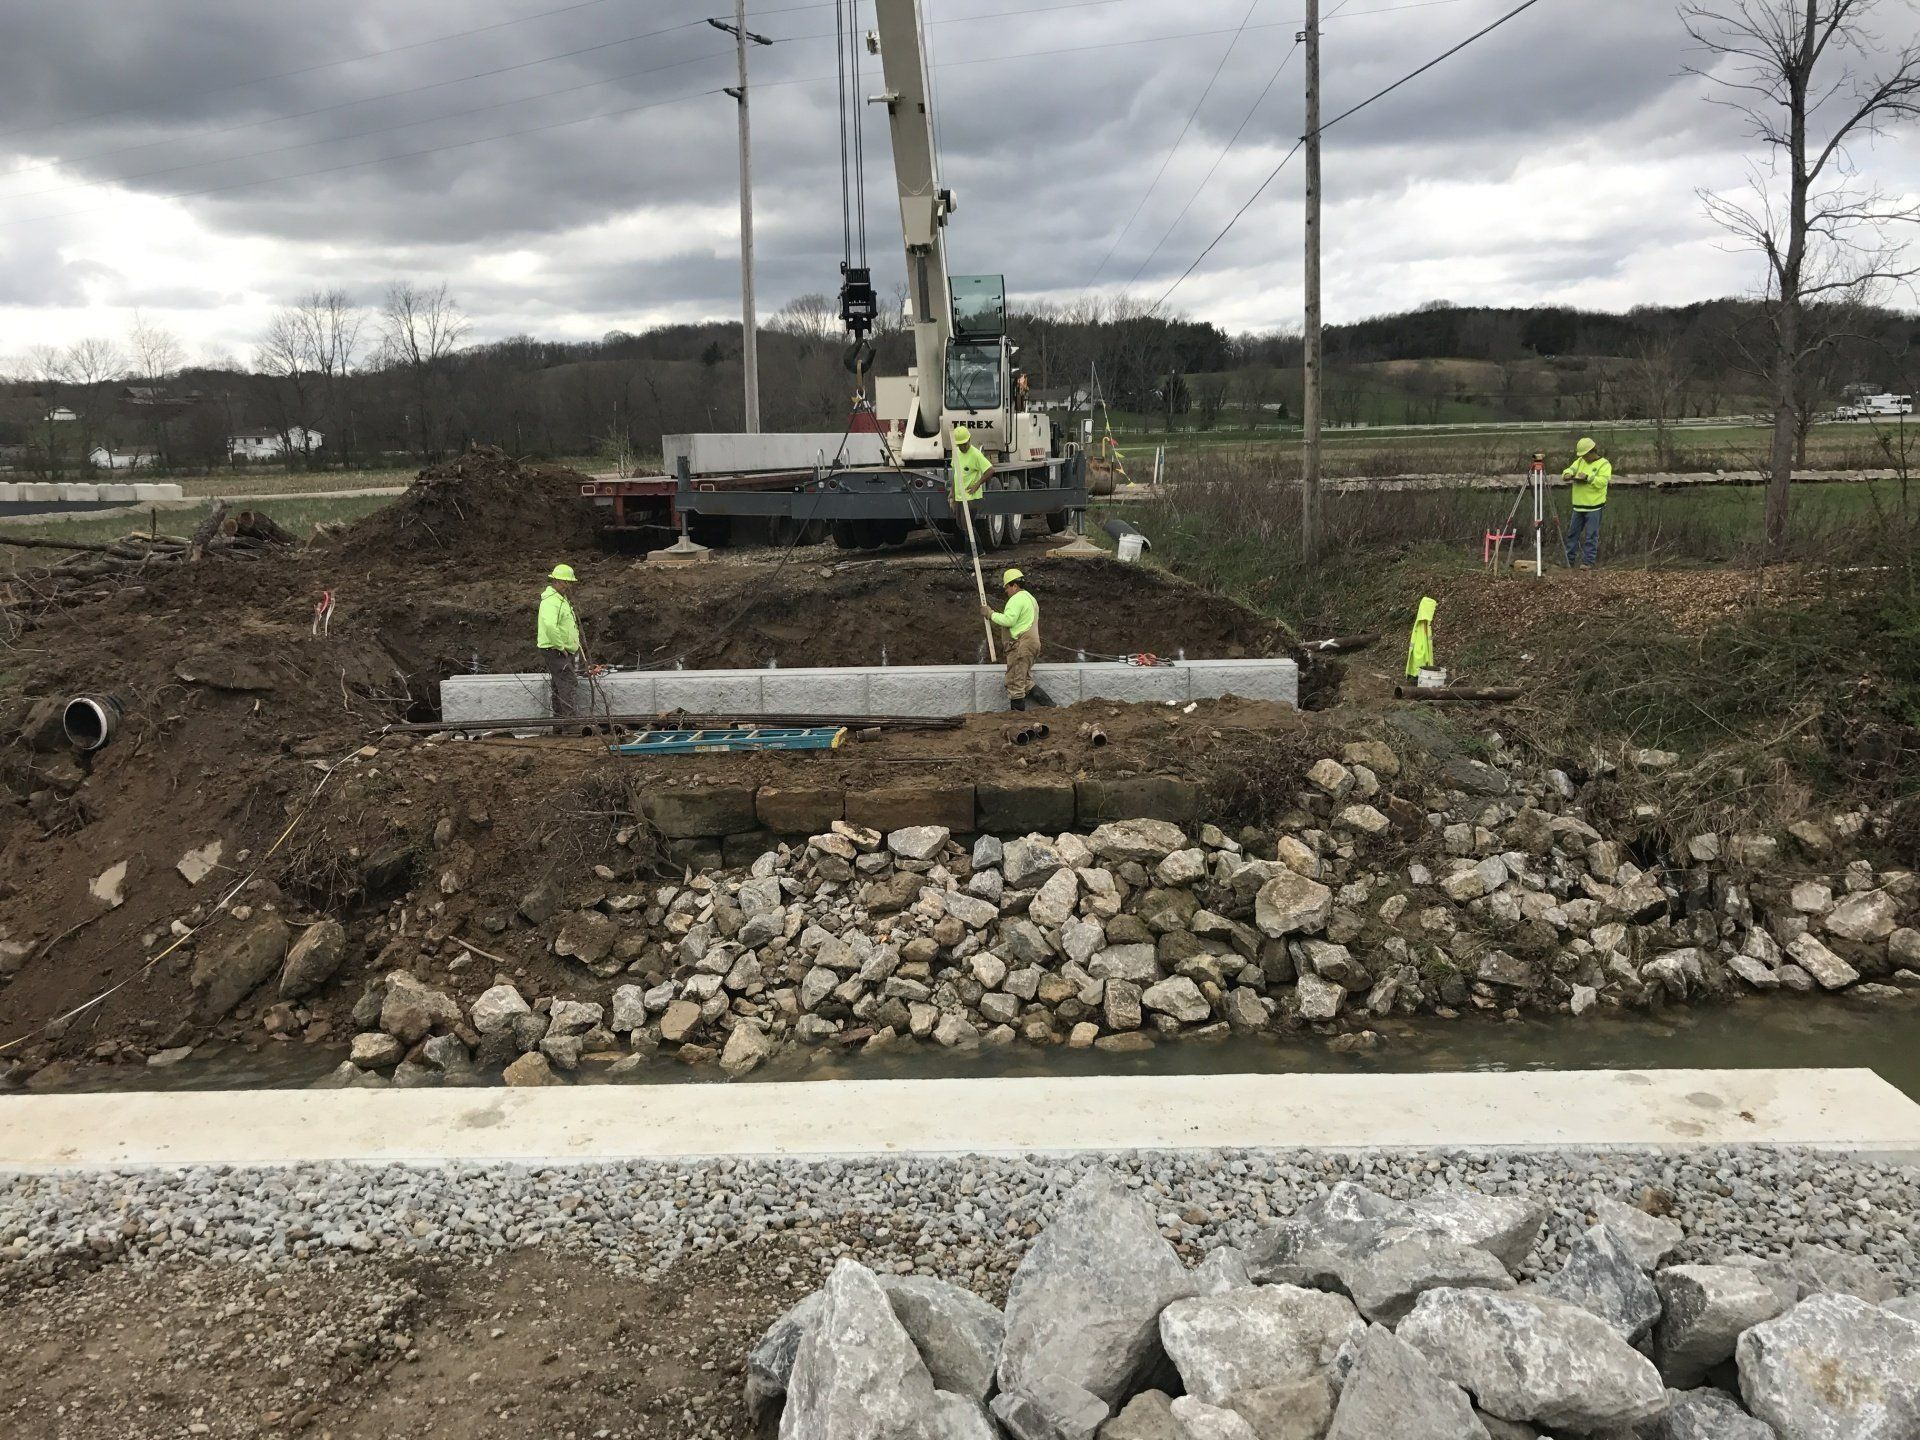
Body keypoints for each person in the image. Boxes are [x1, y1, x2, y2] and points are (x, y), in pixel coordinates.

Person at [983, 568, 1044, 710]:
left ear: (1014, 585)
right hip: (1032, 645)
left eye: (1007, 587)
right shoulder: (1030, 598)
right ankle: (1052, 708)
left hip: (1021, 646)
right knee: (1024, 681)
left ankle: (1017, 721)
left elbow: (1009, 620)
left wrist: (990, 614)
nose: (1006, 591)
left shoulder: (1016, 599)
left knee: (1015, 683)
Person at [537, 563, 583, 718]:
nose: (568, 586)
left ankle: (560, 723)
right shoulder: (551, 601)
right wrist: (561, 647)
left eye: (570, 582)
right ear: (555, 581)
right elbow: (550, 625)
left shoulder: (560, 599)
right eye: (565, 582)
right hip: (555, 649)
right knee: (568, 682)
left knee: (559, 685)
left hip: (559, 649)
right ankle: (571, 723)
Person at [1562, 438, 1612, 568]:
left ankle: (1587, 563)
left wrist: (1588, 478)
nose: (1583, 458)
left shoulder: (1604, 464)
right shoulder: (1579, 461)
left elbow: (1602, 482)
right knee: (1572, 535)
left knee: (1591, 536)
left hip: (1594, 507)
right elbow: (1570, 469)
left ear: (1591, 452)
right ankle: (1569, 561)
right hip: (1578, 506)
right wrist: (1567, 474)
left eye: (1585, 455)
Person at [951, 424, 995, 507]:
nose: (963, 447)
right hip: (959, 498)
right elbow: (955, 474)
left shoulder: (975, 454)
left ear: (969, 439)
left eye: (965, 444)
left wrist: (977, 484)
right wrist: (952, 493)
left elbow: (990, 470)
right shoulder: (956, 452)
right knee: (959, 521)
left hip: (970, 499)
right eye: (960, 445)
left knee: (967, 520)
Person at [1406, 595, 1437, 682]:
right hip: (1419, 650)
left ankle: (1417, 675)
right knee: (1419, 660)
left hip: (1422, 650)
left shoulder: (1426, 623)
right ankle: (1416, 677)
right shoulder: (1421, 624)